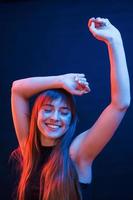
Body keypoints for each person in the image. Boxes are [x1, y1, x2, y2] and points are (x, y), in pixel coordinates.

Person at [11, 17, 130, 200]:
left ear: (70, 121)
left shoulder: (77, 155)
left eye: (64, 112)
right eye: (48, 109)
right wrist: (60, 80)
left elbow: (120, 104)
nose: (55, 117)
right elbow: (17, 89)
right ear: (36, 114)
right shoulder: (28, 149)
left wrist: (115, 40)